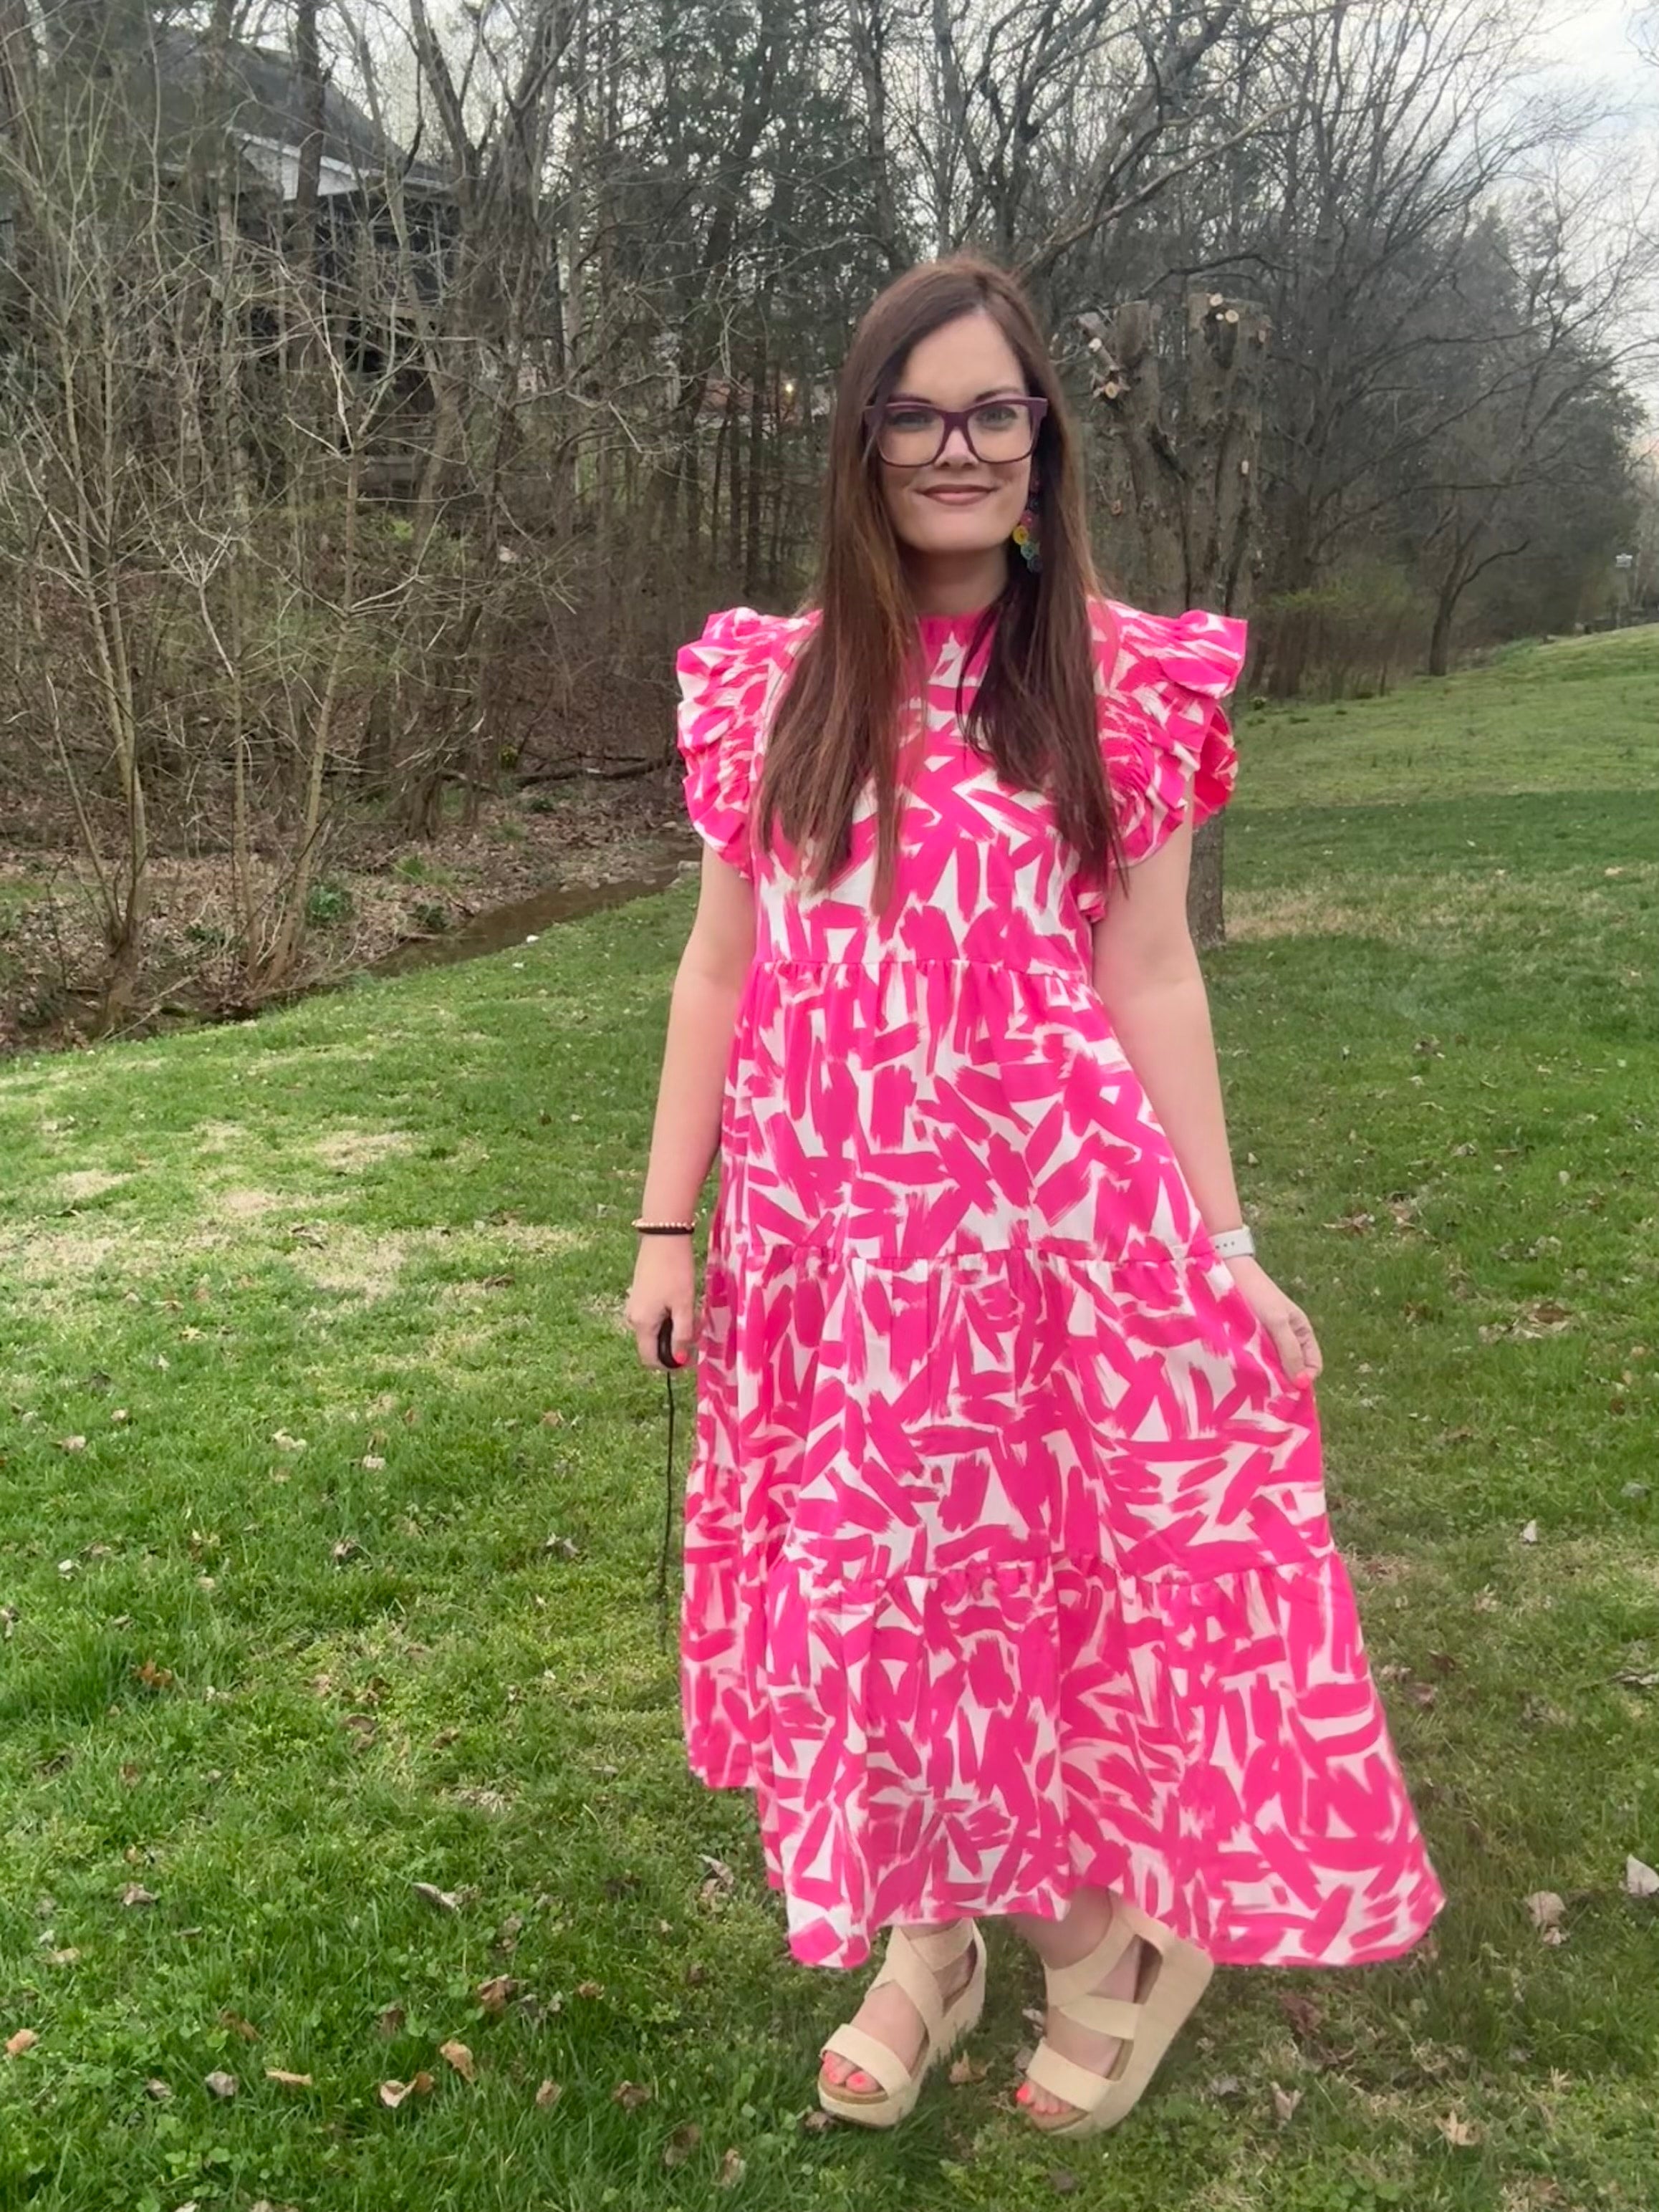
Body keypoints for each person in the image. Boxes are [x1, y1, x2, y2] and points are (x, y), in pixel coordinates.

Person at [626, 254, 1444, 2139]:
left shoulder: (1114, 681)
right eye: (909, 414)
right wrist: (668, 1227)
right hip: (830, 1257)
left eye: (990, 410)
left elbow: (1152, 972)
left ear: (1042, 438)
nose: (951, 448)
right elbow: (719, 971)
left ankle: (1100, 1948)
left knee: (1012, 1617)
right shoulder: (773, 685)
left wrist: (1224, 1245)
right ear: (856, 445)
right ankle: (925, 1945)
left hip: (1045, 1246)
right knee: (864, 1611)